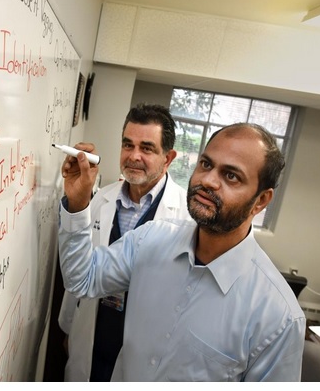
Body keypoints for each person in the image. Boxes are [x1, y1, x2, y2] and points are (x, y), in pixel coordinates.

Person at [57, 122, 306, 381]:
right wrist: (77, 202)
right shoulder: (151, 240)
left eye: (231, 176)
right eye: (206, 164)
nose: (208, 181)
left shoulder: (279, 318)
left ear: (261, 201)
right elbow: (81, 278)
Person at [57, 103, 190, 382]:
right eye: (127, 145)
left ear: (168, 158)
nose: (134, 156)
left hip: (143, 356)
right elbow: (78, 268)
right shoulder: (100, 199)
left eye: (147, 148)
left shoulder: (187, 219)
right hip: (92, 340)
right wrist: (69, 329)